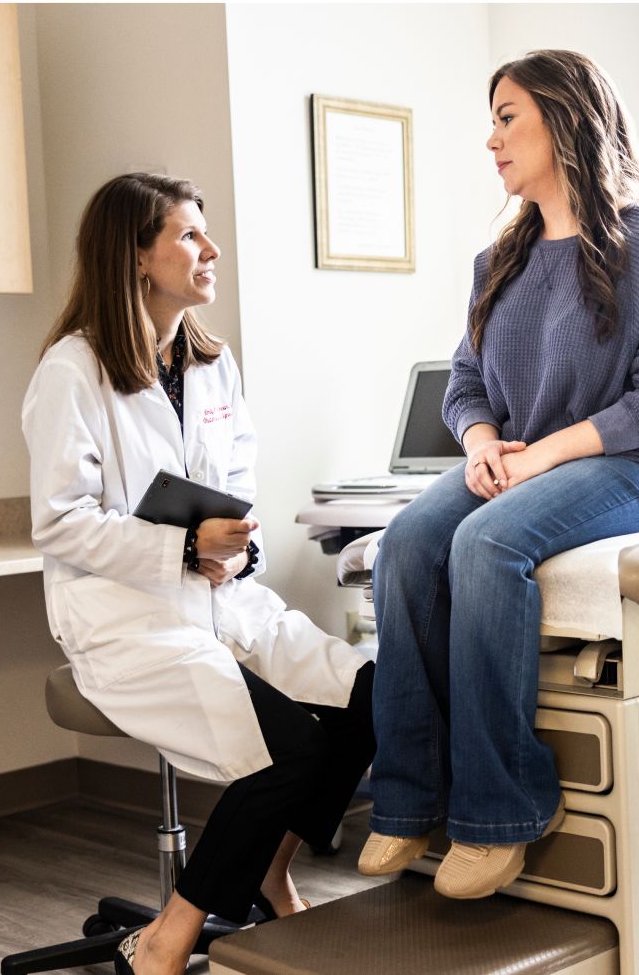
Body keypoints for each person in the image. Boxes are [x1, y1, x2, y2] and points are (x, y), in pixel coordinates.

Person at [357, 50, 639, 900]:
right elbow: (466, 382)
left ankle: (499, 813)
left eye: (506, 116)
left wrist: (541, 457)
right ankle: (410, 799)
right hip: (520, 457)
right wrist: (483, 441)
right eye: (492, 120)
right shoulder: (503, 260)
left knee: (486, 544)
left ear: (564, 119)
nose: (490, 139)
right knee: (408, 544)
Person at [21, 173, 374, 975]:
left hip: (225, 600)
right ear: (136, 257)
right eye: (187, 235)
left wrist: (232, 550)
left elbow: (235, 494)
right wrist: (181, 551)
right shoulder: (72, 373)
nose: (210, 250)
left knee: (372, 700)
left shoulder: (213, 364)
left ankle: (268, 875)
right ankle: (167, 937)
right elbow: (57, 521)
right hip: (123, 617)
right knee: (289, 754)